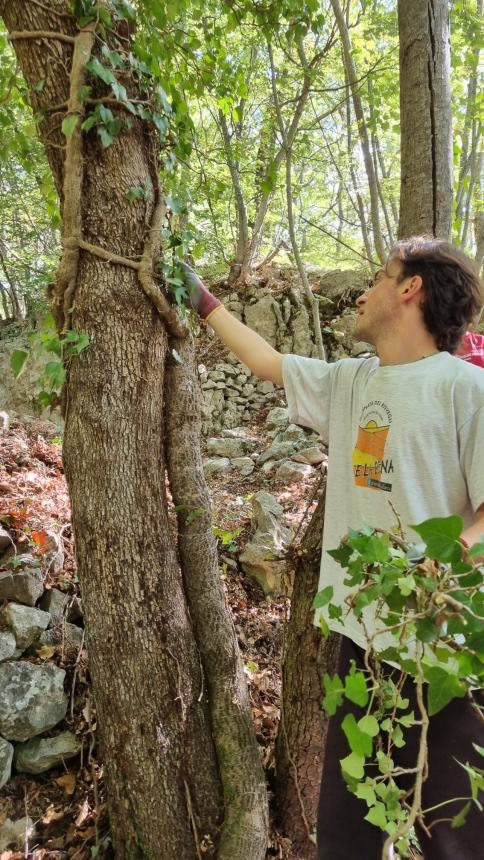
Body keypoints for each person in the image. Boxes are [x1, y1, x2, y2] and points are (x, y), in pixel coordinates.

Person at [181, 236, 484, 859]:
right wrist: (200, 297)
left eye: (380, 276)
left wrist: (441, 563)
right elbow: (268, 363)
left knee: (454, 839)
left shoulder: (465, 391)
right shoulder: (350, 381)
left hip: (443, 651)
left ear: (410, 289)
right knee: (348, 834)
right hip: (361, 644)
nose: (363, 291)